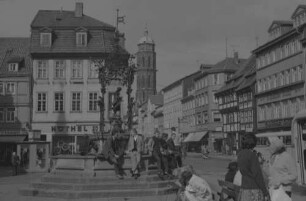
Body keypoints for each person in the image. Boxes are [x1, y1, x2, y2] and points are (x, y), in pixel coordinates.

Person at [237, 133, 269, 201]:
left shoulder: (240, 154)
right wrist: (265, 192)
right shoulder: (252, 155)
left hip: (244, 189)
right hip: (254, 190)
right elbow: (257, 175)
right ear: (253, 142)